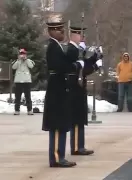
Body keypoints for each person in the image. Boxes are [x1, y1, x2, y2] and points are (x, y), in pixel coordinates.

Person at [42, 15, 85, 168]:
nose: (62, 33)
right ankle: (56, 157)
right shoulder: (53, 47)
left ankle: (60, 155)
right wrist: (76, 66)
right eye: (59, 31)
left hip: (60, 88)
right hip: (56, 90)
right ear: (52, 32)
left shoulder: (57, 46)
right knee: (56, 125)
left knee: (61, 124)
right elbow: (61, 66)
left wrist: (74, 46)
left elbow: (67, 59)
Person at [66, 25, 102, 156]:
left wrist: (95, 58)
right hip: (75, 88)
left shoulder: (77, 51)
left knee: (80, 117)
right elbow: (81, 70)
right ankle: (76, 146)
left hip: (79, 88)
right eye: (82, 36)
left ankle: (80, 145)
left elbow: (84, 65)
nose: (83, 39)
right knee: (76, 117)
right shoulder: (72, 50)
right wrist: (95, 66)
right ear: (75, 36)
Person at [12, 49, 35, 115]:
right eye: (21, 54)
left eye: (23, 54)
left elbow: (31, 66)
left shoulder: (28, 61)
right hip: (18, 80)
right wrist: (18, 60)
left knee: (28, 96)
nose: (22, 55)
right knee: (18, 96)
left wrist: (26, 60)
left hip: (26, 80)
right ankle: (17, 110)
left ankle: (29, 110)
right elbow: (13, 67)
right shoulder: (17, 61)